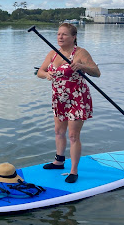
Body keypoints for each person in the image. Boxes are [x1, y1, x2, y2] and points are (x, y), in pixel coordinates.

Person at [36, 23, 100, 183]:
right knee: (58, 132)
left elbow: (97, 73)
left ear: (74, 37)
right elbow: (40, 71)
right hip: (59, 98)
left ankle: (74, 171)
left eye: (64, 34)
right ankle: (59, 161)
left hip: (77, 98)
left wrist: (82, 66)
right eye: (58, 34)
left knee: (73, 135)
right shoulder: (53, 53)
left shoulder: (81, 53)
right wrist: (47, 75)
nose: (60, 37)